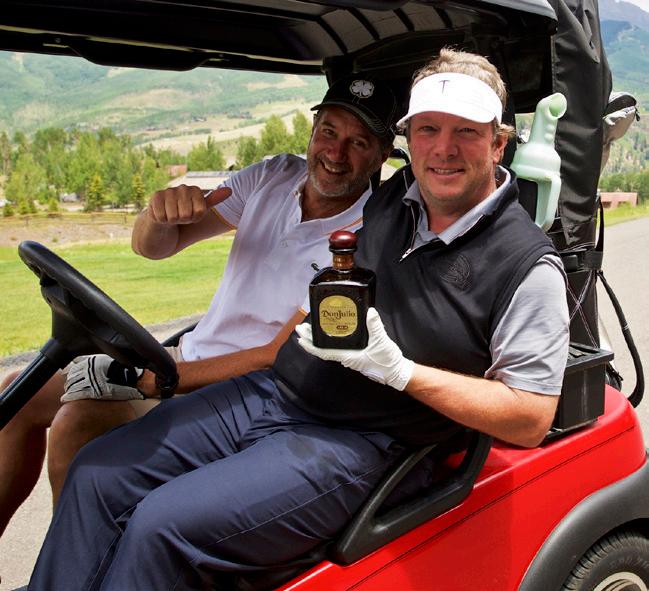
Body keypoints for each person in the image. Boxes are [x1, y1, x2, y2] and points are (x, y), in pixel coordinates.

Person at [26, 48, 569, 590]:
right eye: (428, 129)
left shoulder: (525, 265)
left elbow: (530, 416)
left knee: (161, 525)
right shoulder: (393, 201)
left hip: (362, 439)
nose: (443, 149)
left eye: (466, 132)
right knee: (98, 473)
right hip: (275, 392)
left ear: (498, 143)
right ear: (409, 140)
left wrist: (403, 373)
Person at [0, 73, 397, 535]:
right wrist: (158, 215)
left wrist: (156, 379)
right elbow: (154, 247)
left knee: (78, 423)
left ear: (382, 155)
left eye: (358, 142)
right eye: (329, 131)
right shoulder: (273, 176)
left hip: (242, 394)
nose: (336, 152)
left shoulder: (363, 239)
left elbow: (279, 355)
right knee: (20, 390)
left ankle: (72, 566)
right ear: (312, 131)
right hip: (186, 360)